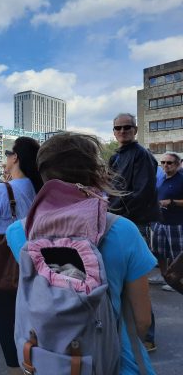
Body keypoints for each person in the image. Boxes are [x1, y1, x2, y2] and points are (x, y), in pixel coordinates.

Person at [7, 132, 156, 375]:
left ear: (43, 173)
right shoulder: (122, 230)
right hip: (116, 360)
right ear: (97, 172)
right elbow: (142, 321)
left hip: (49, 358)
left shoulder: (18, 232)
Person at [0, 137, 42, 375]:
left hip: (3, 266)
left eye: (8, 154)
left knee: (7, 326)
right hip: (35, 264)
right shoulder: (40, 188)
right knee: (32, 324)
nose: (5, 159)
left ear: (16, 158)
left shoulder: (3, 189)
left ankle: (17, 370)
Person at [108, 113, 159, 352]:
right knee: (118, 280)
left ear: (135, 129)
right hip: (117, 220)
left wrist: (116, 214)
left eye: (127, 127)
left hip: (132, 223)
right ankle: (126, 331)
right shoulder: (115, 156)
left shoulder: (143, 156)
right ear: (114, 131)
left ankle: (146, 336)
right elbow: (109, 189)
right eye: (118, 127)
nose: (123, 131)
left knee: (135, 280)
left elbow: (142, 193)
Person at [152, 152, 183, 292]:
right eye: (163, 162)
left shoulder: (181, 179)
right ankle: (165, 276)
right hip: (160, 222)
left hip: (176, 223)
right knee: (159, 251)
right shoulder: (161, 179)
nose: (165, 165)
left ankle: (176, 278)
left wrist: (172, 202)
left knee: (176, 254)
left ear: (178, 164)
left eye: (169, 163)